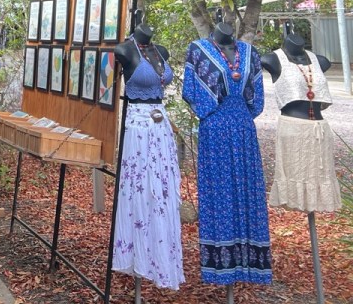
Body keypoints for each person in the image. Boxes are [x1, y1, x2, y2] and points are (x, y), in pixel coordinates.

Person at [182, 22, 271, 286]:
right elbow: (190, 90)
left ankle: (248, 263)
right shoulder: (198, 49)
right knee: (219, 191)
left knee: (247, 191)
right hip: (215, 126)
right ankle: (220, 265)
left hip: (244, 127)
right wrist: (209, 110)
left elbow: (256, 94)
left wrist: (242, 112)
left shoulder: (249, 52)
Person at [111, 22, 184, 290]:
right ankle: (137, 256)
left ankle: (160, 257)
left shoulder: (160, 50)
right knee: (140, 192)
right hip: (138, 126)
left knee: (162, 193)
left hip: (160, 125)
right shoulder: (124, 50)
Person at [261, 32, 342, 212]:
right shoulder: (271, 59)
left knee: (321, 175)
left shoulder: (320, 61)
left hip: (320, 130)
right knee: (295, 175)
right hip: (292, 129)